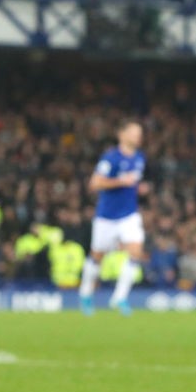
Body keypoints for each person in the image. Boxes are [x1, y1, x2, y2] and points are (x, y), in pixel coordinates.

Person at [78, 120, 148, 315]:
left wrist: (138, 188)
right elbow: (94, 184)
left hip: (129, 215)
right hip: (107, 217)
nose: (138, 137)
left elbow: (132, 183)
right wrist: (120, 181)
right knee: (97, 256)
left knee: (136, 250)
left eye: (139, 133)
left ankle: (120, 298)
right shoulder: (111, 158)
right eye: (134, 133)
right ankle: (85, 293)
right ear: (122, 135)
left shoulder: (140, 158)